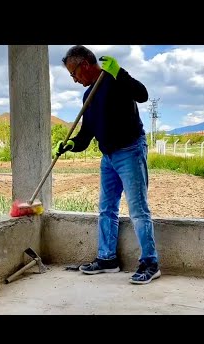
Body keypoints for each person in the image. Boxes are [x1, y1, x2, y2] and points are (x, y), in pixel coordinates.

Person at [55, 45, 160, 285]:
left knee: (138, 210)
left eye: (74, 73)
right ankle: (107, 259)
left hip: (130, 151)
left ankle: (150, 263)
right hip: (109, 157)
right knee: (106, 209)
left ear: (85, 65)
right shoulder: (88, 95)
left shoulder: (114, 80)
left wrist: (119, 71)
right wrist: (70, 145)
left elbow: (142, 94)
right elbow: (85, 135)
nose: (74, 80)